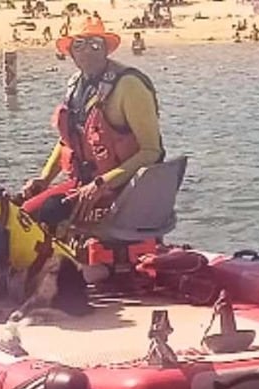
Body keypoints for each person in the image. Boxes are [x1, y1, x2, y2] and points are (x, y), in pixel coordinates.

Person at [18, 18, 163, 314]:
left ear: (106, 49)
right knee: (23, 215)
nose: (86, 52)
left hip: (119, 187)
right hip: (84, 182)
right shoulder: (76, 86)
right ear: (70, 51)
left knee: (50, 212)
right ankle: (38, 279)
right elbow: (68, 143)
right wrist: (43, 179)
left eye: (95, 45)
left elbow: (152, 151)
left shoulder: (129, 86)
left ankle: (63, 291)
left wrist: (104, 182)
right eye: (79, 45)